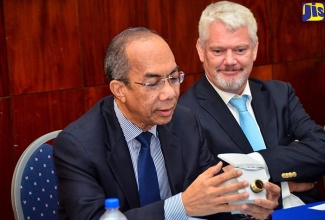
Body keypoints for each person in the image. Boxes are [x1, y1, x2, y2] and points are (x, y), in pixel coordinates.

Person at [53, 27, 280, 220]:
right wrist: (181, 206)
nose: (170, 93)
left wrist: (246, 204)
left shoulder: (185, 122)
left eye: (173, 78)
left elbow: (210, 197)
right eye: (153, 83)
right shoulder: (78, 145)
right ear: (119, 90)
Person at [179, 1, 325, 209]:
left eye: (240, 49)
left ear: (255, 49)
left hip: (306, 208)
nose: (230, 61)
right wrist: (287, 186)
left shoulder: (280, 93)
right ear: (201, 51)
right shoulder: (185, 113)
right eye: (218, 51)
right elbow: (210, 191)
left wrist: (259, 162)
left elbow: (321, 149)